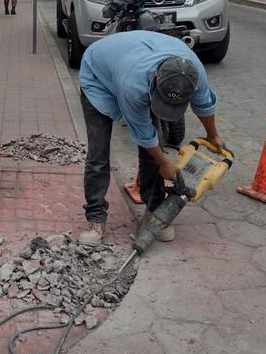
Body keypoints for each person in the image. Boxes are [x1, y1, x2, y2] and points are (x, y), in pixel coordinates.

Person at [77, 30, 225, 246]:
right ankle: (96, 218)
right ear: (156, 82)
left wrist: (213, 136)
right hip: (98, 75)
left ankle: (153, 211)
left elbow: (204, 105)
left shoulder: (194, 73)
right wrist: (165, 163)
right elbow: (143, 133)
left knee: (155, 153)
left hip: (130, 60)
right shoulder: (134, 85)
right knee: (99, 153)